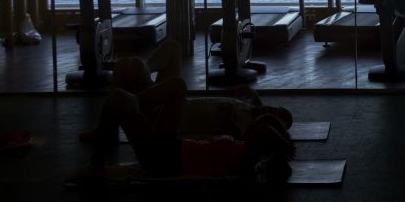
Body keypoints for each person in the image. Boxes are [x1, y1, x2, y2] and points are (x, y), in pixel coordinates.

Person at [68, 77, 295, 184]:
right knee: (177, 85)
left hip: (161, 159)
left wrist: (282, 140)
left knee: (118, 97)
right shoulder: (244, 144)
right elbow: (264, 121)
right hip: (170, 145)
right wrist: (280, 133)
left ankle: (95, 166)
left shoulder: (245, 157)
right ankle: (132, 104)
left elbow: (264, 127)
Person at [79, 40, 294, 141]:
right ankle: (145, 73)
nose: (273, 109)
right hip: (168, 100)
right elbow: (259, 108)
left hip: (165, 116)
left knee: (129, 67)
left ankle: (124, 106)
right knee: (173, 47)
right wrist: (254, 95)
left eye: (275, 114)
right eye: (278, 108)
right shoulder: (252, 110)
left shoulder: (244, 130)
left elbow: (243, 137)